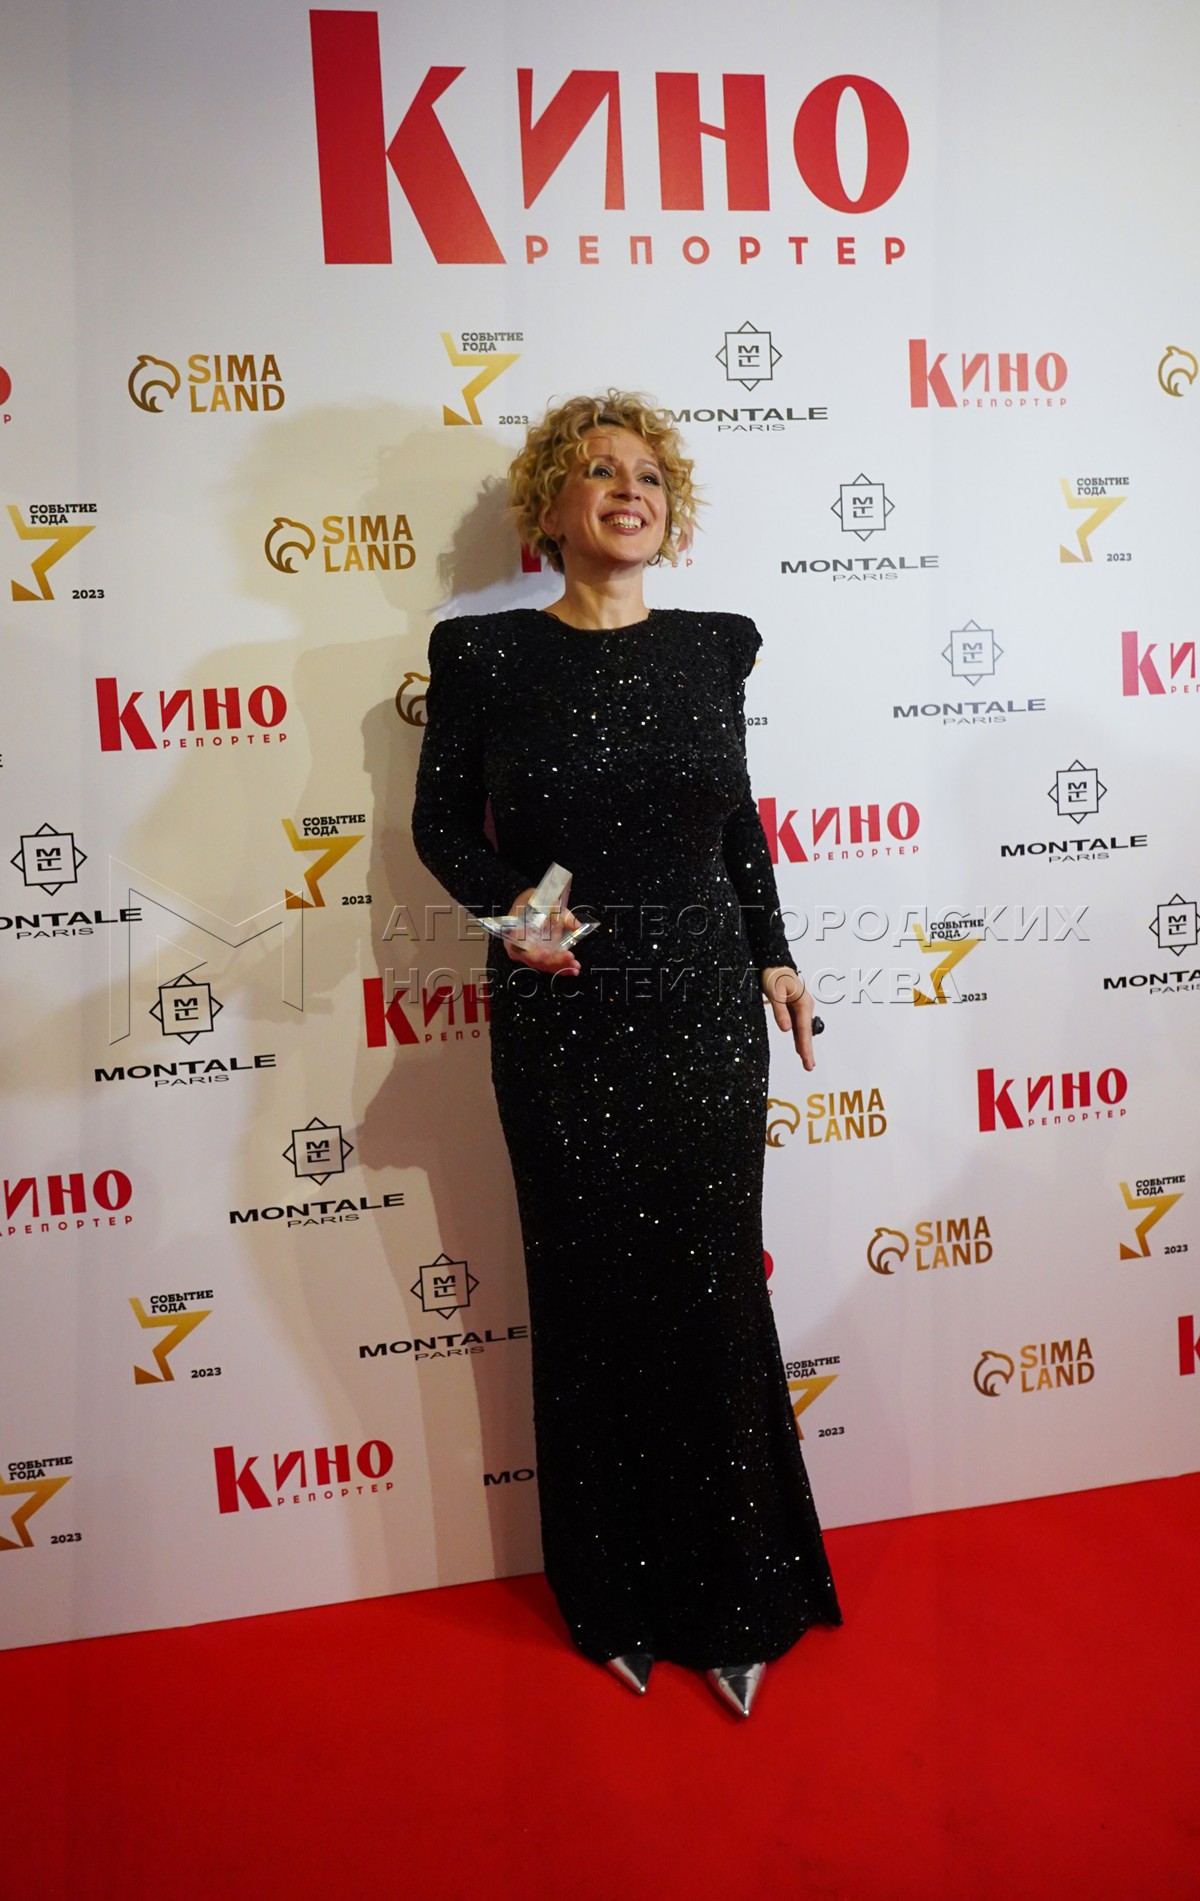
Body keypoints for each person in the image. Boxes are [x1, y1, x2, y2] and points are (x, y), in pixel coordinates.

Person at [411, 391, 841, 1718]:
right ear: (550, 506)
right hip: (563, 1007)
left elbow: (736, 821)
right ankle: (615, 1595)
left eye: (649, 474)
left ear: (672, 505)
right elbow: (442, 826)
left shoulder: (715, 646)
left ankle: (739, 1596)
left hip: (704, 1007)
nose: (628, 489)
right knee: (589, 1294)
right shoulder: (485, 655)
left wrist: (774, 954)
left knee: (712, 1290)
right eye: (597, 470)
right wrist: (517, 913)